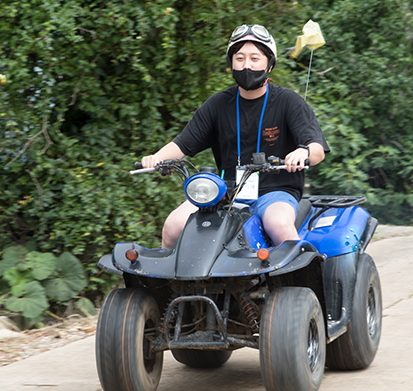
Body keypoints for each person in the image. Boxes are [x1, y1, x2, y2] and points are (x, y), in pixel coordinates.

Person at [141, 24, 329, 248]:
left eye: (254, 58)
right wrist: (156, 158)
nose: (246, 65)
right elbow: (183, 144)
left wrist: (302, 151)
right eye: (239, 58)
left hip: (275, 191)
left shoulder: (288, 101)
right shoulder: (217, 104)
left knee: (278, 225)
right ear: (231, 63)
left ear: (269, 65)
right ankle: (172, 283)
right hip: (224, 192)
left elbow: (317, 150)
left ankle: (303, 279)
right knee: (173, 226)